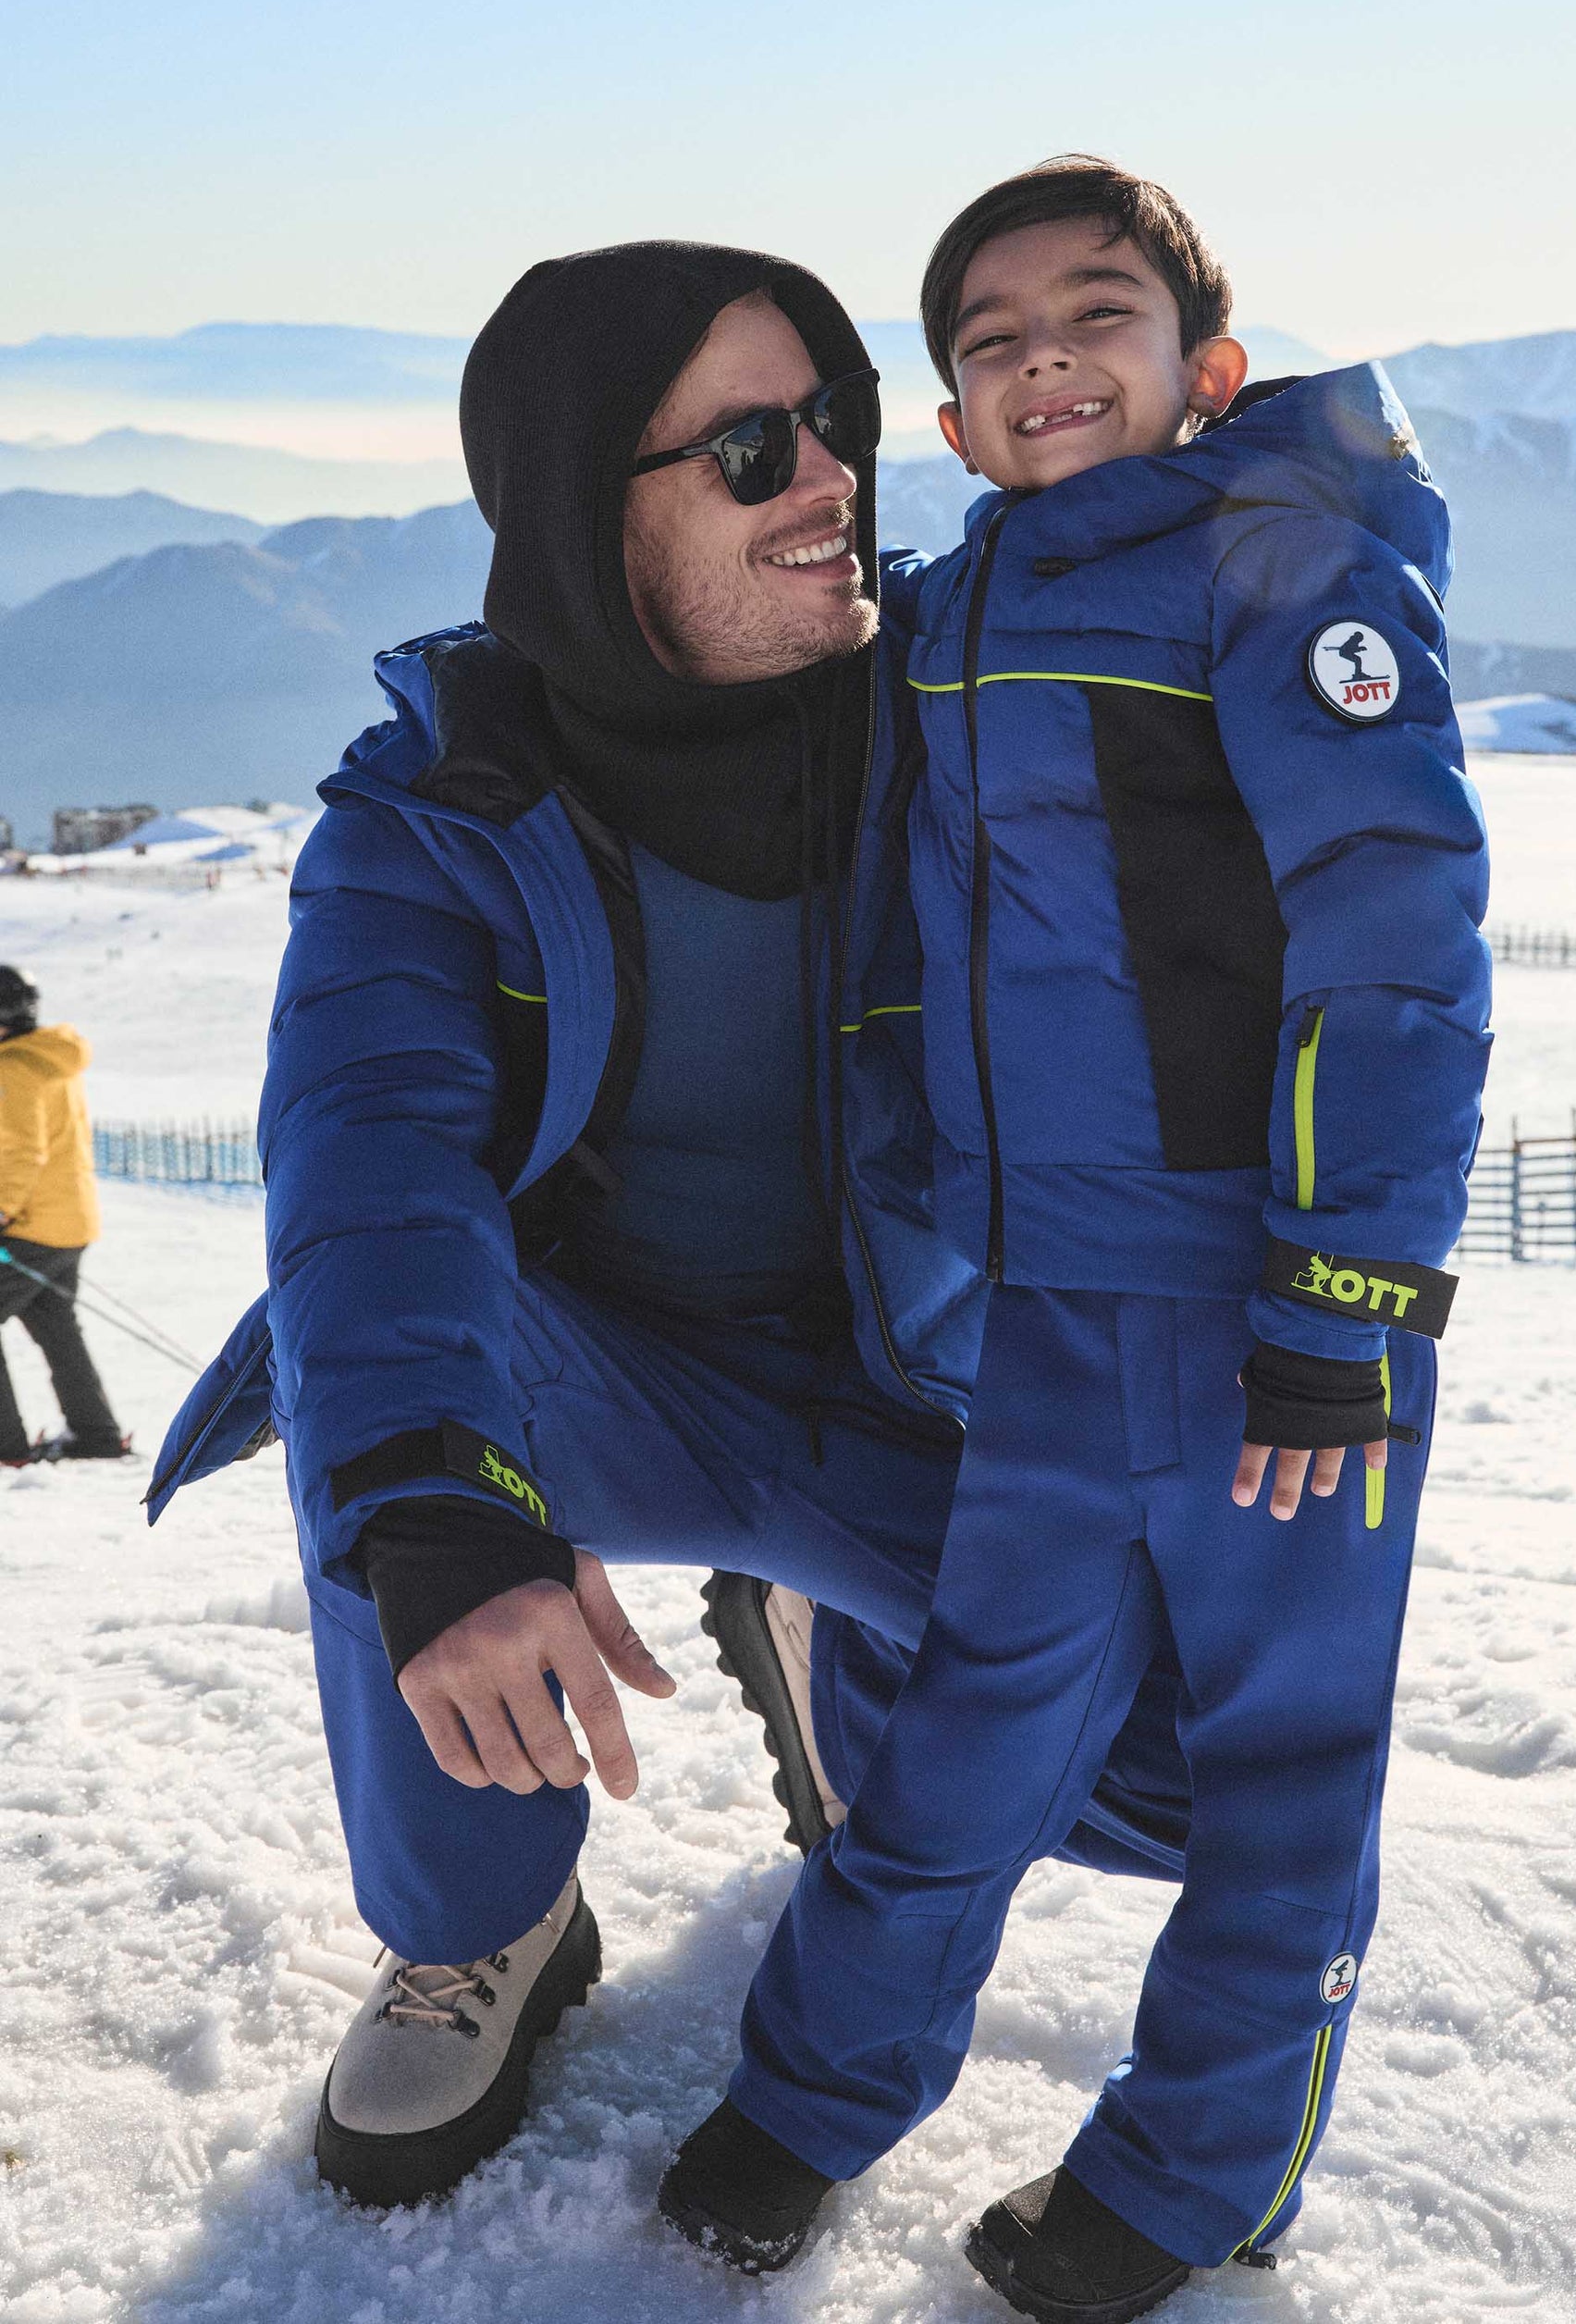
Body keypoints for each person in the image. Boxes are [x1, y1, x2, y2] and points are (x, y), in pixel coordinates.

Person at [151, 243, 1202, 2216]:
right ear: (584, 511)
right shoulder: (439, 814)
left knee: (1194, 1773)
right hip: (592, 1376)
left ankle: (839, 1656)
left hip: (912, 1384)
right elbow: (371, 1164)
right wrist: (446, 1515)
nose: (829, 479)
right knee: (379, 1407)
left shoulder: (965, 699)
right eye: (745, 448)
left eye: (836, 423)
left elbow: (1215, 574)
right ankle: (482, 1919)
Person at [663, 159, 1491, 2316]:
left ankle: (1191, 2181)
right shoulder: (959, 609)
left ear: (1208, 368)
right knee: (970, 1726)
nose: (1046, 357)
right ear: (951, 422)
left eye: (1097, 314)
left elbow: (1396, 946)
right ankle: (808, 2100)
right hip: (1047, 1312)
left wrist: (1343, 1297)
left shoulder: (1283, 574)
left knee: (1277, 1762)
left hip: (1275, 1315)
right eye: (993, 338)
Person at [0, 964, 128, 1466]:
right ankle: (97, 1436)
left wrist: (2, 1210)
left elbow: (20, 1152)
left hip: (32, 1224)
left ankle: (7, 1447)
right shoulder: (50, 1059)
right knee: (54, 1323)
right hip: (69, 1220)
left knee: (54, 1323)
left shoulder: (13, 1069)